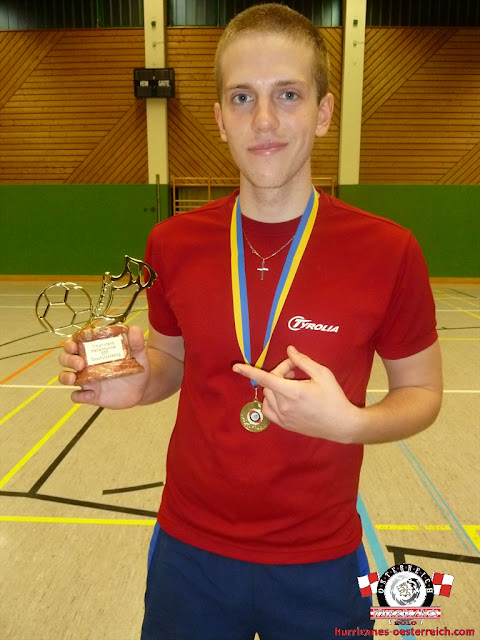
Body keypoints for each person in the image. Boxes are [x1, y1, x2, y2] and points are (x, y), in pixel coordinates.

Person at [59, 4, 442, 639]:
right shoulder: (172, 242)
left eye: (287, 94)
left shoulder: (390, 250)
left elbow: (423, 393)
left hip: (325, 557)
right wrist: (139, 380)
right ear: (218, 119)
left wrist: (352, 423)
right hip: (191, 552)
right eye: (242, 97)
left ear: (323, 112)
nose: (264, 120)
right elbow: (173, 360)